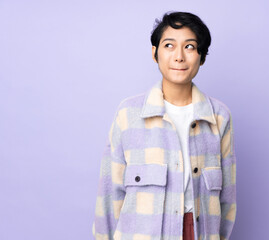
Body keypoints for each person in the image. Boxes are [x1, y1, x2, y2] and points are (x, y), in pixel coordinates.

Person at [92, 11, 237, 240]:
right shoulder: (128, 114)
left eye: (189, 47)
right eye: (169, 45)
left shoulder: (219, 117)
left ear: (202, 56)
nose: (179, 56)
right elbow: (110, 197)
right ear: (155, 53)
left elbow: (227, 201)